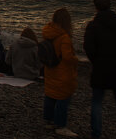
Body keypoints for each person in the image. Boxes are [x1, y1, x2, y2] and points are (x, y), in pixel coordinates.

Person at [84, 0, 116, 139]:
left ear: (95, 7)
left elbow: (88, 48)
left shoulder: (93, 26)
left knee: (97, 102)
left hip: (100, 69)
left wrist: (96, 61)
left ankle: (96, 134)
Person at [42, 7, 79, 137]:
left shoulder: (48, 32)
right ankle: (60, 125)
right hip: (62, 72)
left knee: (51, 94)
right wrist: (76, 59)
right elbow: (67, 57)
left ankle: (48, 120)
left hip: (50, 68)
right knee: (63, 98)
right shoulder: (64, 37)